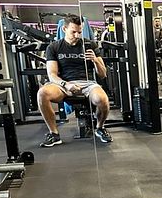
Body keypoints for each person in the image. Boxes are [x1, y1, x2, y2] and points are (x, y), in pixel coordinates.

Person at [37, 14, 113, 147]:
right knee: (42, 93)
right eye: (74, 32)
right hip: (63, 84)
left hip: (88, 84)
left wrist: (95, 60)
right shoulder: (54, 47)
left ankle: (100, 128)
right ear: (64, 29)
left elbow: (103, 74)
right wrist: (66, 84)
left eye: (80, 32)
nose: (77, 35)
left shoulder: (90, 45)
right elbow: (52, 74)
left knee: (103, 100)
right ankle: (54, 134)